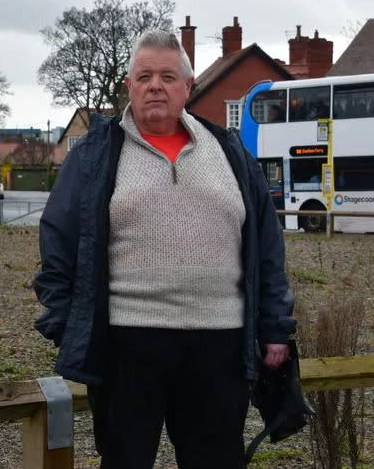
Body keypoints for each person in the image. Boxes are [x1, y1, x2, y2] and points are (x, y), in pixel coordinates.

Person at [33, 30, 295, 468]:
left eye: (168, 76)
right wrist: (70, 325)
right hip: (128, 346)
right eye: (145, 76)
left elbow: (267, 247)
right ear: (129, 85)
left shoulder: (228, 151)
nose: (156, 85)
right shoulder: (96, 155)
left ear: (188, 87)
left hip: (220, 347)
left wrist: (274, 327)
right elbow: (57, 242)